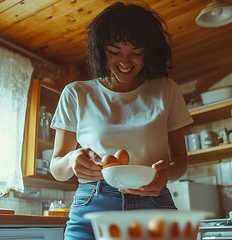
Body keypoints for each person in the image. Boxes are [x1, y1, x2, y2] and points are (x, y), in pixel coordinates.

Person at [49, 2, 193, 239]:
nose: (125, 62)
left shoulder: (166, 90)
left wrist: (164, 175)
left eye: (136, 53)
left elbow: (180, 161)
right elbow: (57, 169)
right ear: (101, 50)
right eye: (115, 51)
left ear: (149, 51)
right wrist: (72, 159)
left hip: (153, 204)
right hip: (92, 204)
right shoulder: (76, 93)